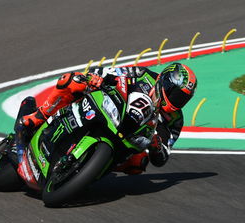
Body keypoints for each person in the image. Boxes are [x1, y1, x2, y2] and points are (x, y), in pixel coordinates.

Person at [14, 62, 197, 179]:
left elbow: (162, 157)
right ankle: (38, 117)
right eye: (176, 94)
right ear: (165, 81)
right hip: (109, 108)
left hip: (130, 139)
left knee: (139, 165)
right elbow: (111, 71)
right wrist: (97, 77)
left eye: (182, 98)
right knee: (72, 80)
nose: (177, 100)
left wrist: (157, 146)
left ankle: (89, 172)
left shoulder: (175, 120)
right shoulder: (143, 74)